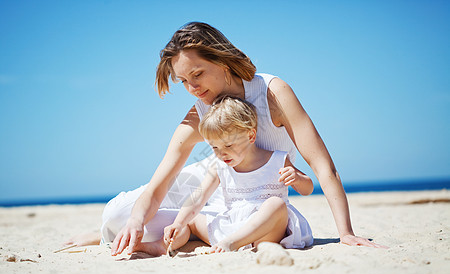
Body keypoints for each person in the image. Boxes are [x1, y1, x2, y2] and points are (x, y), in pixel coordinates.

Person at [66, 21, 385, 254]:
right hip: (212, 183)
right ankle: (106, 234)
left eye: (198, 74)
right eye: (183, 81)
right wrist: (136, 220)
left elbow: (323, 167)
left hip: (254, 196)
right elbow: (160, 182)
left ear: (221, 60)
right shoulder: (198, 113)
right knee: (119, 216)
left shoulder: (273, 93)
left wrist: (346, 232)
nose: (192, 88)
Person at [135, 96, 313, 256]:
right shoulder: (219, 165)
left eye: (228, 145)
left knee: (276, 204)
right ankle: (161, 246)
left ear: (251, 136)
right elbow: (198, 197)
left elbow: (308, 189)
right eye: (215, 148)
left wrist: (297, 178)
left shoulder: (277, 159)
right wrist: (178, 223)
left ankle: (233, 243)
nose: (222, 154)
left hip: (267, 231)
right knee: (191, 220)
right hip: (231, 225)